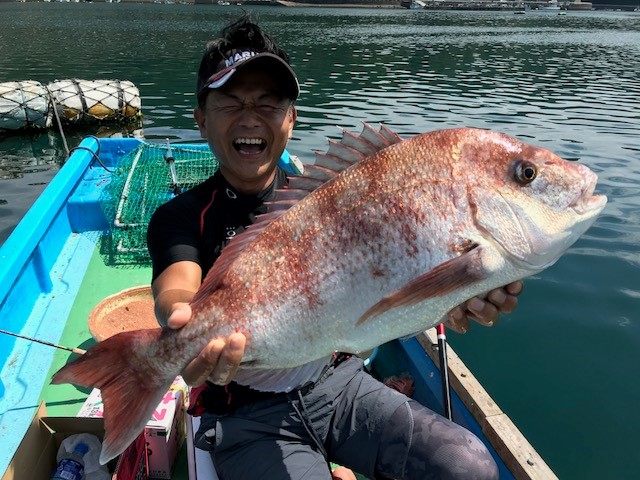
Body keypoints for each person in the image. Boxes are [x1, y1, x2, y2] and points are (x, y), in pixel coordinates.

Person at [147, 15, 523, 480]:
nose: (250, 118)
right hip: (243, 413)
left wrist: (452, 297)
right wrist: (181, 321)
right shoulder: (180, 217)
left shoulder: (334, 195)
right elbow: (176, 289)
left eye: (269, 103)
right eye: (230, 102)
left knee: (468, 466)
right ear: (201, 117)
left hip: (339, 383)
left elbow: (384, 283)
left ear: (291, 119)